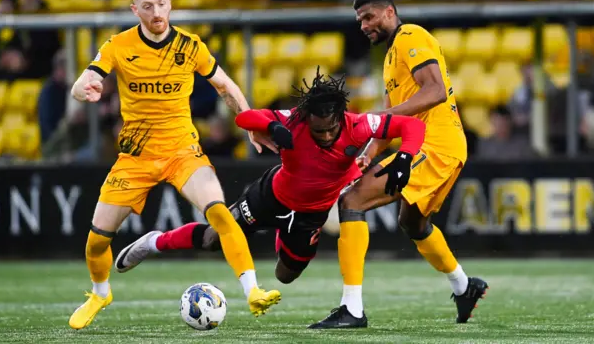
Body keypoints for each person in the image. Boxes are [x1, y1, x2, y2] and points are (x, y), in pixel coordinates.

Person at [68, 0, 281, 330]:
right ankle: (100, 292)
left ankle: (253, 290)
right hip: (135, 157)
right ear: (135, 9)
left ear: (171, 3)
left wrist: (252, 126)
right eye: (147, 6)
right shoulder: (118, 46)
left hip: (183, 151)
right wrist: (82, 89)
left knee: (219, 212)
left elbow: (226, 86)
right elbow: (85, 80)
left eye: (162, 4)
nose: (157, 13)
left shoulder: (190, 45)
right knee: (96, 242)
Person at [115, 69, 425, 313]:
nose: (327, 135)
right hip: (268, 198)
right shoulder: (292, 122)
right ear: (307, 119)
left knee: (284, 276)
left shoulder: (357, 125)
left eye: (332, 129)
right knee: (212, 239)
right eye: (320, 130)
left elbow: (412, 127)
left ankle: (282, 234)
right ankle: (153, 243)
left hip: (309, 216)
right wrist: (273, 127)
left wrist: (404, 157)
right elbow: (245, 117)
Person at [310, 0, 488, 329]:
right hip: (433, 145)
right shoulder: (392, 57)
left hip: (435, 145)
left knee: (353, 201)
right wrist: (368, 153)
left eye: (368, 16)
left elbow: (434, 91)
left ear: (389, 12)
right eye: (359, 19)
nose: (363, 25)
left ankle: (352, 309)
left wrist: (380, 118)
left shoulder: (410, 35)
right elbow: (392, 121)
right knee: (412, 223)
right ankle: (465, 287)